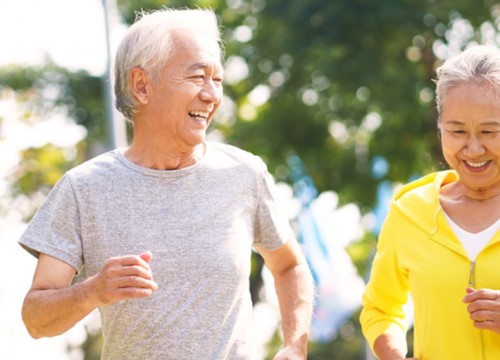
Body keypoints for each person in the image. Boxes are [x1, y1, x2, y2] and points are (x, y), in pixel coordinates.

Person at [19, 8, 314, 360]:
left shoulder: (245, 174)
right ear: (142, 85)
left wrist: (295, 345)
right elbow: (36, 319)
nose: (212, 95)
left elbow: (289, 265)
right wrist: (92, 291)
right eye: (197, 77)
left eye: (217, 80)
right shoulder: (83, 188)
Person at [360, 45, 500, 359]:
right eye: (457, 130)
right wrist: (393, 353)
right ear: (440, 128)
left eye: (490, 131)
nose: (473, 149)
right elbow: (380, 308)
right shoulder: (409, 212)